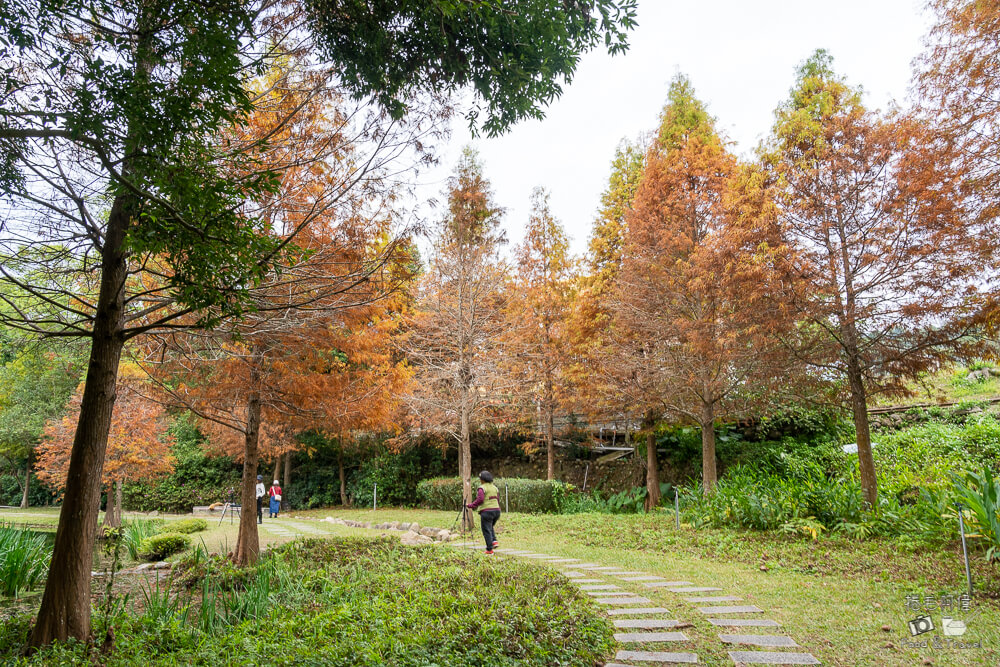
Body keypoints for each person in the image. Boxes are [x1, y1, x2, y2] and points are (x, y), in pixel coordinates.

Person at [466, 470, 501, 554]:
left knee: (486, 529)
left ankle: (489, 549)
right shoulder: (495, 487)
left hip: (487, 511)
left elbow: (480, 499)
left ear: (482, 479)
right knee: (490, 526)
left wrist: (471, 505)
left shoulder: (482, 488)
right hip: (497, 511)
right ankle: (494, 541)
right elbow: (498, 499)